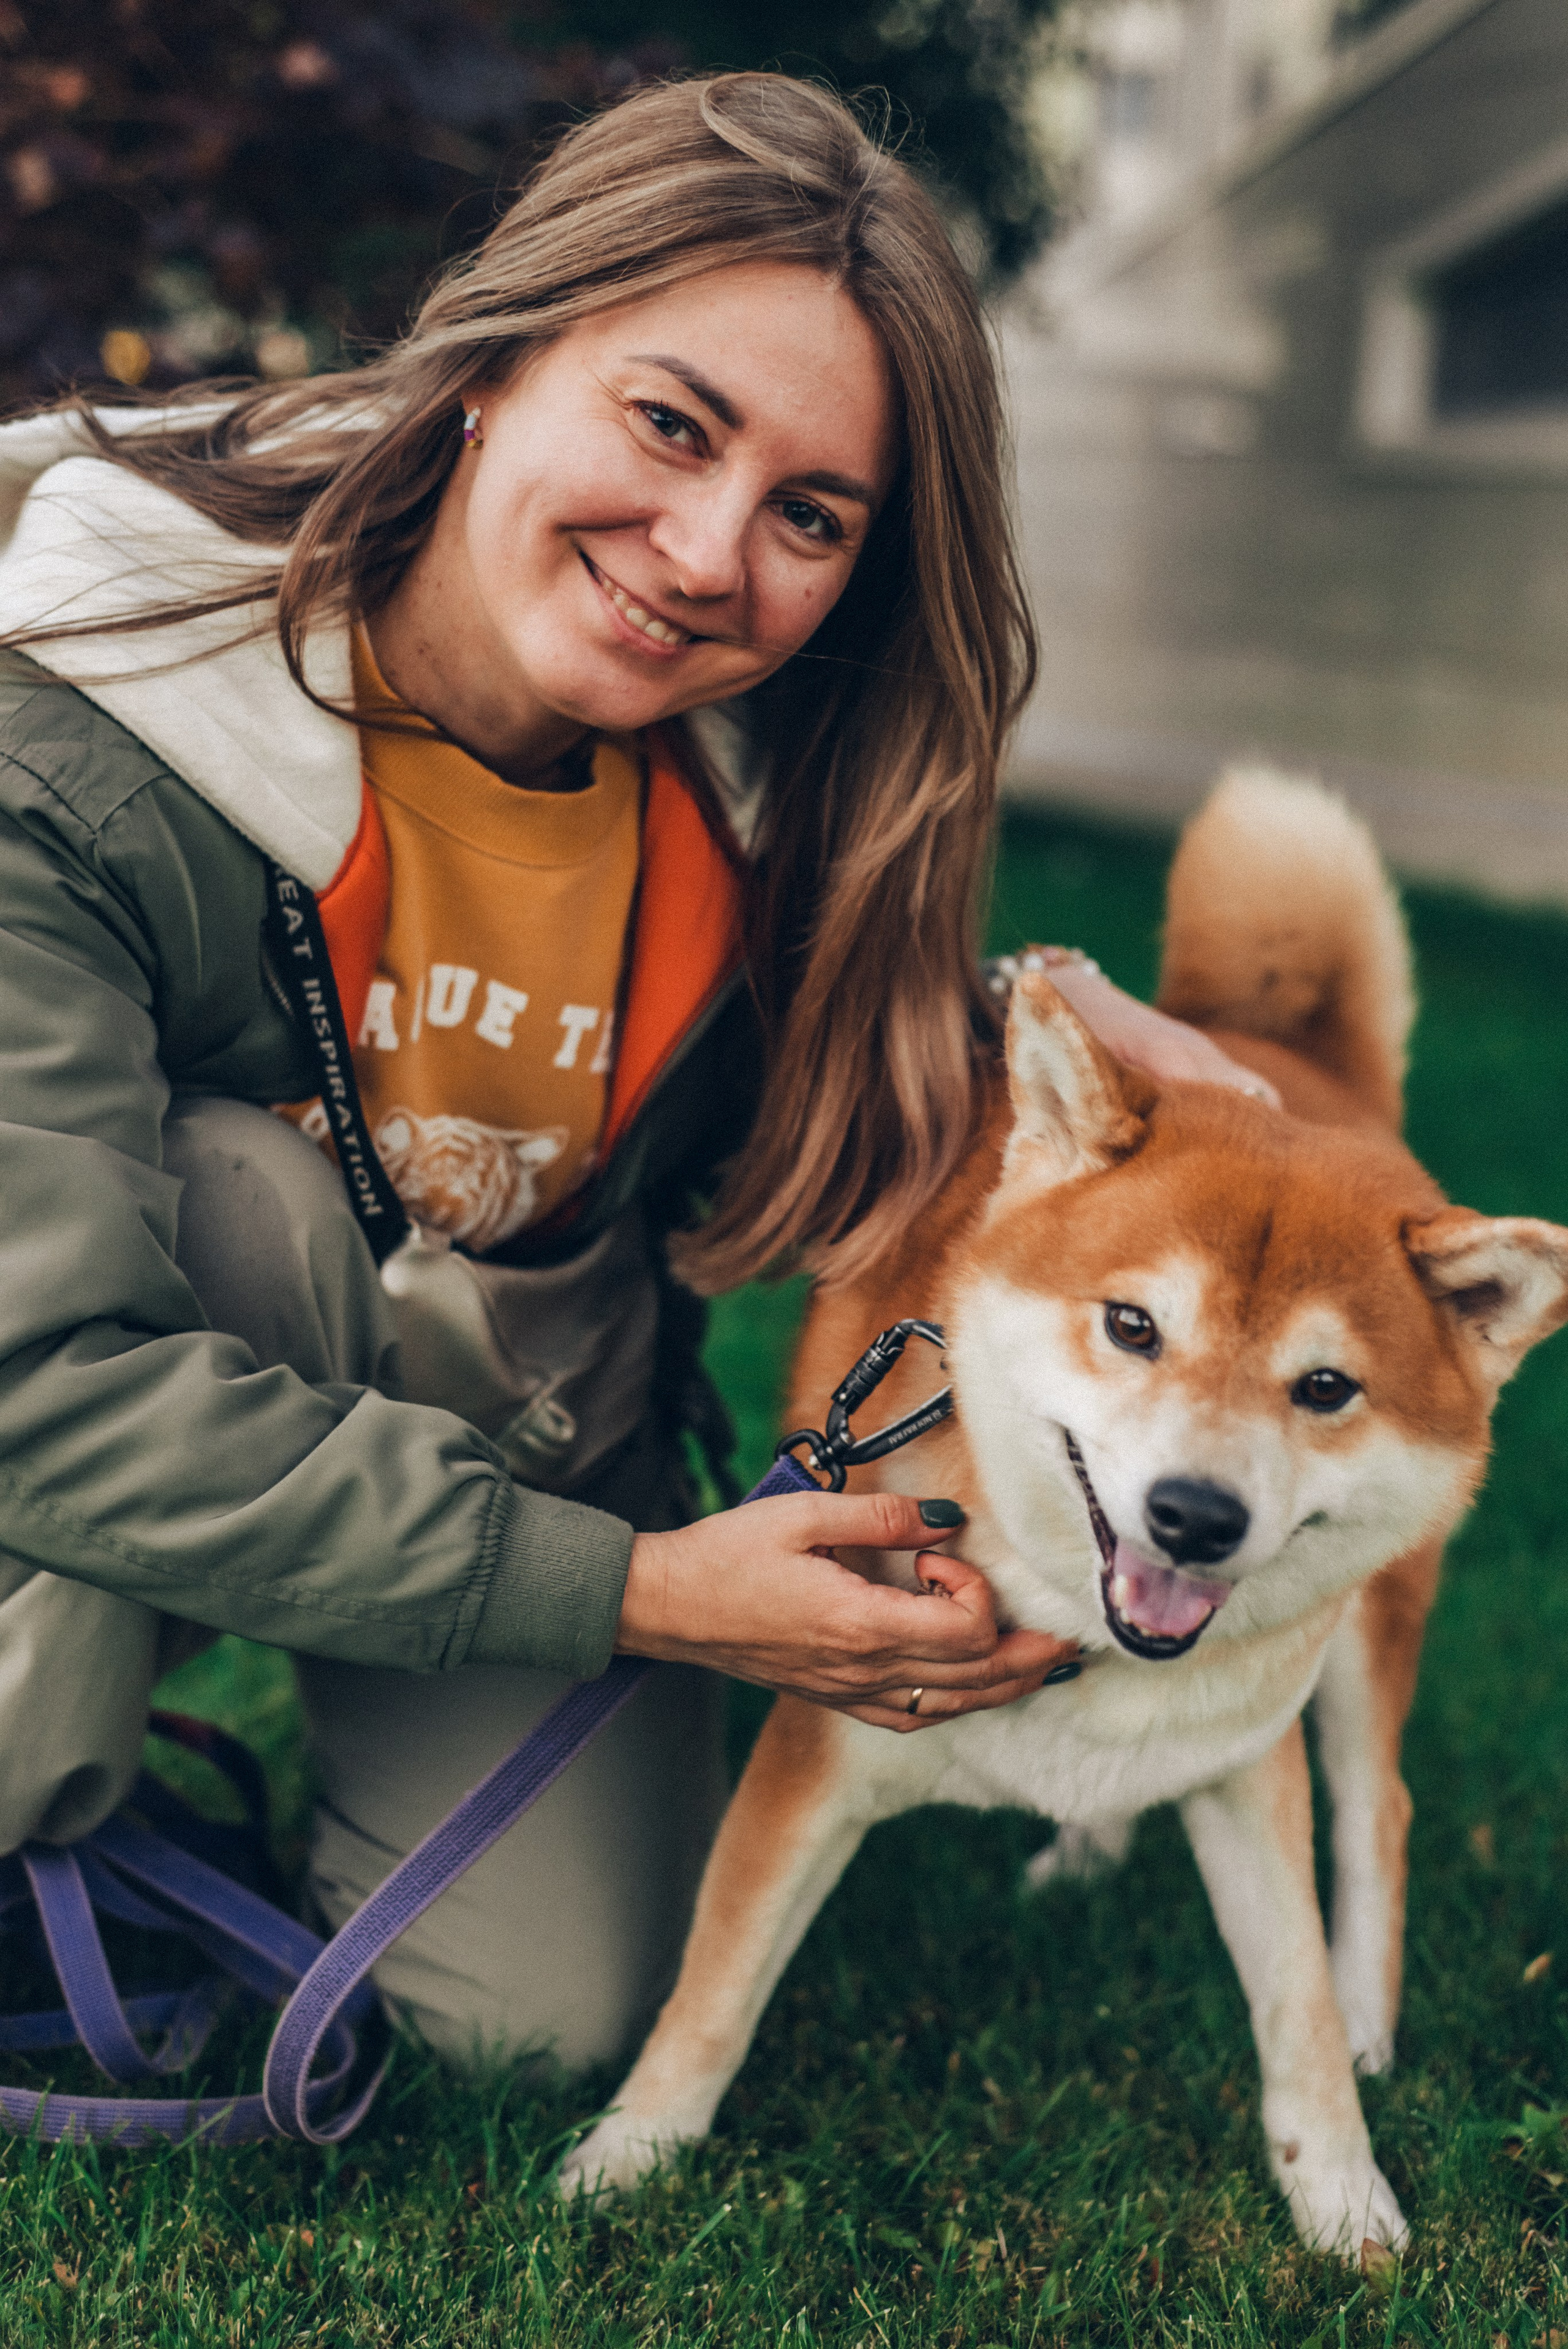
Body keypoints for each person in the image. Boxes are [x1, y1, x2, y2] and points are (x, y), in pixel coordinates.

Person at [0, 73, 1267, 2071]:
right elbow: (32, 1390)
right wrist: (651, 1593)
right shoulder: (74, 711)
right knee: (238, 1191)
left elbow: (827, 1090)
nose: (704, 553)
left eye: (810, 516)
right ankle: (23, 1821)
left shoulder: (739, 788)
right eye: (671, 424)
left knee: (545, 2013)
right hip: (88, 1385)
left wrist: (1039, 1014)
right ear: (502, 350)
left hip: (479, 1393)